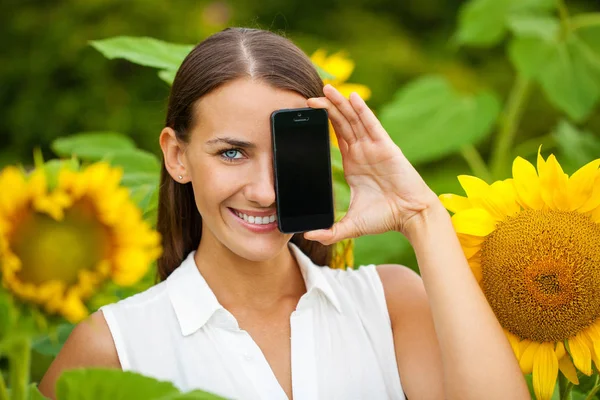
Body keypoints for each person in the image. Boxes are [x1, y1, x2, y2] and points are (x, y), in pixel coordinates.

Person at [39, 27, 529, 400]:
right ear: (177, 156)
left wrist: (422, 215)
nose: (265, 191)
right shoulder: (115, 347)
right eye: (232, 152)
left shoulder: (390, 305)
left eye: (287, 155)